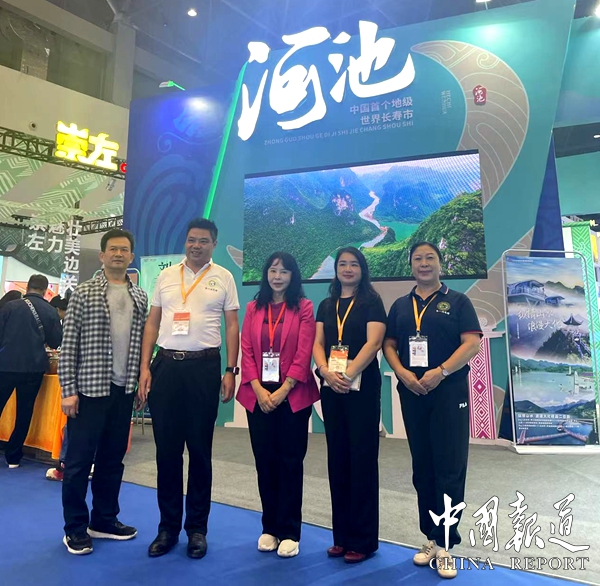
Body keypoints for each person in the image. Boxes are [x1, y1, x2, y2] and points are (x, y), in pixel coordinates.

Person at [138, 217, 240, 560]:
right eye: (192, 240)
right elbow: (153, 322)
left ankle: (197, 529)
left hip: (204, 368)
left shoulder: (223, 277)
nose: (196, 245)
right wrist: (145, 367)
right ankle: (167, 528)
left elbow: (231, 325)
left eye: (203, 241)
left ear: (214, 244)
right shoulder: (167, 276)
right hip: (166, 366)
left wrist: (230, 370)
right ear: (186, 241)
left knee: (199, 451)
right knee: (166, 452)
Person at [383, 242, 482, 579]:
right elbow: (389, 344)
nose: (423, 264)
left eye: (430, 258)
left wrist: (441, 372)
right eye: (417, 259)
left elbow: (471, 343)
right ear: (410, 265)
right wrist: (402, 372)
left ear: (440, 263)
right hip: (413, 391)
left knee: (449, 467)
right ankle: (430, 537)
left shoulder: (459, 301)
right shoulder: (400, 305)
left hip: (448, 391)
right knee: (422, 468)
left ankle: (447, 544)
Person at [59, 228, 148, 555]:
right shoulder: (84, 293)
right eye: (113, 249)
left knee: (112, 460)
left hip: (123, 391)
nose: (118, 254)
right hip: (88, 390)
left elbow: (141, 344)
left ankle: (104, 520)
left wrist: (140, 381)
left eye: (124, 250)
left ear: (131, 256)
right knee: (79, 462)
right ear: (102, 255)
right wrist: (68, 390)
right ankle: (75, 528)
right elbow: (68, 345)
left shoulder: (140, 297)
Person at [238, 252, 320, 558]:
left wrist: (284, 389)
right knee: (265, 460)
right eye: (273, 270)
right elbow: (246, 350)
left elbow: (304, 351)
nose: (277, 276)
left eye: (284, 271)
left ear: (293, 276)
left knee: (290, 462)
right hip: (258, 395)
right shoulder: (253, 308)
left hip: (292, 395)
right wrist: (258, 388)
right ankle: (269, 527)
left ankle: (289, 531)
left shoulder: (304, 307)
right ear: (266, 274)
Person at [312, 247, 386, 564]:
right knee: (338, 459)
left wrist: (348, 372)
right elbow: (317, 344)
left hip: (361, 387)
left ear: (362, 269)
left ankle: (363, 540)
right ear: (336, 270)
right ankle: (341, 537)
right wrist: (326, 372)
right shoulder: (326, 304)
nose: (347, 268)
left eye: (354, 264)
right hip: (332, 387)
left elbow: (374, 342)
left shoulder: (371, 301)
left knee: (362, 459)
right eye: (342, 264)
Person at [0, 275, 62, 468]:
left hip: (6, 365)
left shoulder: (10, 307)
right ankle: (13, 457)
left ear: (28, 287)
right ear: (45, 290)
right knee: (25, 411)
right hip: (34, 368)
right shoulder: (50, 311)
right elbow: (55, 342)